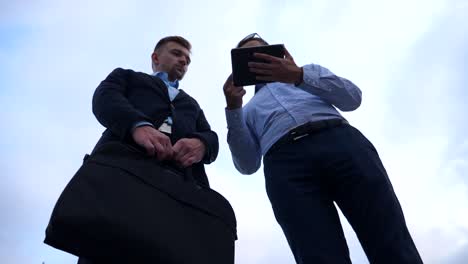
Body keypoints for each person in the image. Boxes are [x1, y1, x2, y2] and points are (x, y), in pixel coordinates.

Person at [223, 33, 423, 264]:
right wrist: (233, 108)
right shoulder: (246, 111)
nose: (256, 60)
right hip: (284, 163)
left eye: (261, 53)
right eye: (247, 58)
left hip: (340, 140)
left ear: (277, 54)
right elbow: (247, 164)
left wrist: (298, 75)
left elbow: (352, 98)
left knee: (388, 234)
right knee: (316, 254)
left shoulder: (309, 72)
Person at [78, 36, 219, 263]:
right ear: (155, 58)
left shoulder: (192, 104)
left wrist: (202, 144)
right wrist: (137, 125)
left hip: (178, 194)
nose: (183, 61)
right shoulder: (128, 77)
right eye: (176, 53)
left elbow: (211, 136)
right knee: (104, 250)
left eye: (187, 59)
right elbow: (105, 98)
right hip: (121, 178)